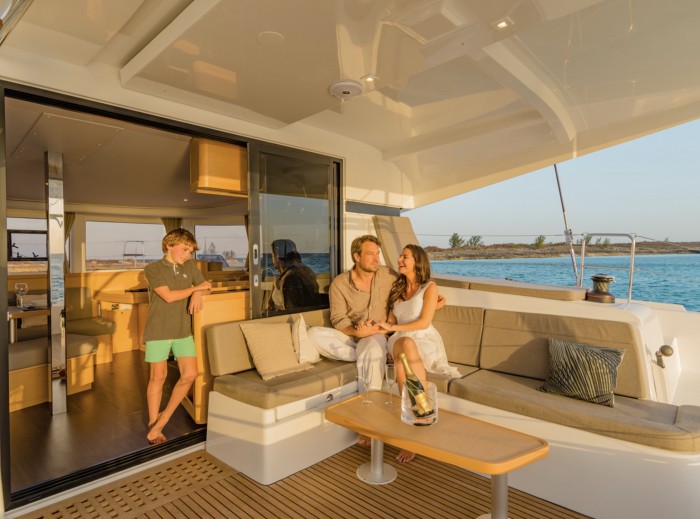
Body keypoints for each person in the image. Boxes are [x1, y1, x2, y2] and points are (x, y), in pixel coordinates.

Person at [308, 235, 445, 453]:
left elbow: (416, 297)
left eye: (377, 253)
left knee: (372, 346)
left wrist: (435, 303)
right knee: (313, 334)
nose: (376, 258)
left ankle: (370, 421)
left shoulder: (389, 275)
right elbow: (338, 320)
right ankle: (367, 355)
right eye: (371, 254)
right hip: (354, 337)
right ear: (357, 256)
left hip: (378, 336)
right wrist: (356, 331)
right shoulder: (340, 284)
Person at [376, 244, 460, 462]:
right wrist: (381, 328)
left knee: (404, 356)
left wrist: (392, 328)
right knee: (404, 344)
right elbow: (391, 322)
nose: (399, 260)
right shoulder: (396, 289)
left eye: (405, 257)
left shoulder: (430, 288)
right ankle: (422, 413)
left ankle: (411, 428)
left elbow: (423, 322)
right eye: (400, 256)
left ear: (417, 261)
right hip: (398, 339)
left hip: (423, 339)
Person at [143, 229, 212, 444]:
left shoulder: (189, 267)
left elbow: (207, 285)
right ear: (169, 245)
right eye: (184, 249)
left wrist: (199, 291)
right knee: (158, 377)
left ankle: (163, 419)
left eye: (190, 251)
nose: (188, 255)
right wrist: (195, 289)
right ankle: (153, 423)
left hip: (183, 330)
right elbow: (168, 296)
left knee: (190, 374)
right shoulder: (153, 269)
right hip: (158, 329)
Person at [270, 239, 320, 310]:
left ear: (277, 257)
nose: (272, 259)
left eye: (272, 255)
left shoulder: (289, 278)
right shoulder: (306, 271)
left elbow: (290, 312)